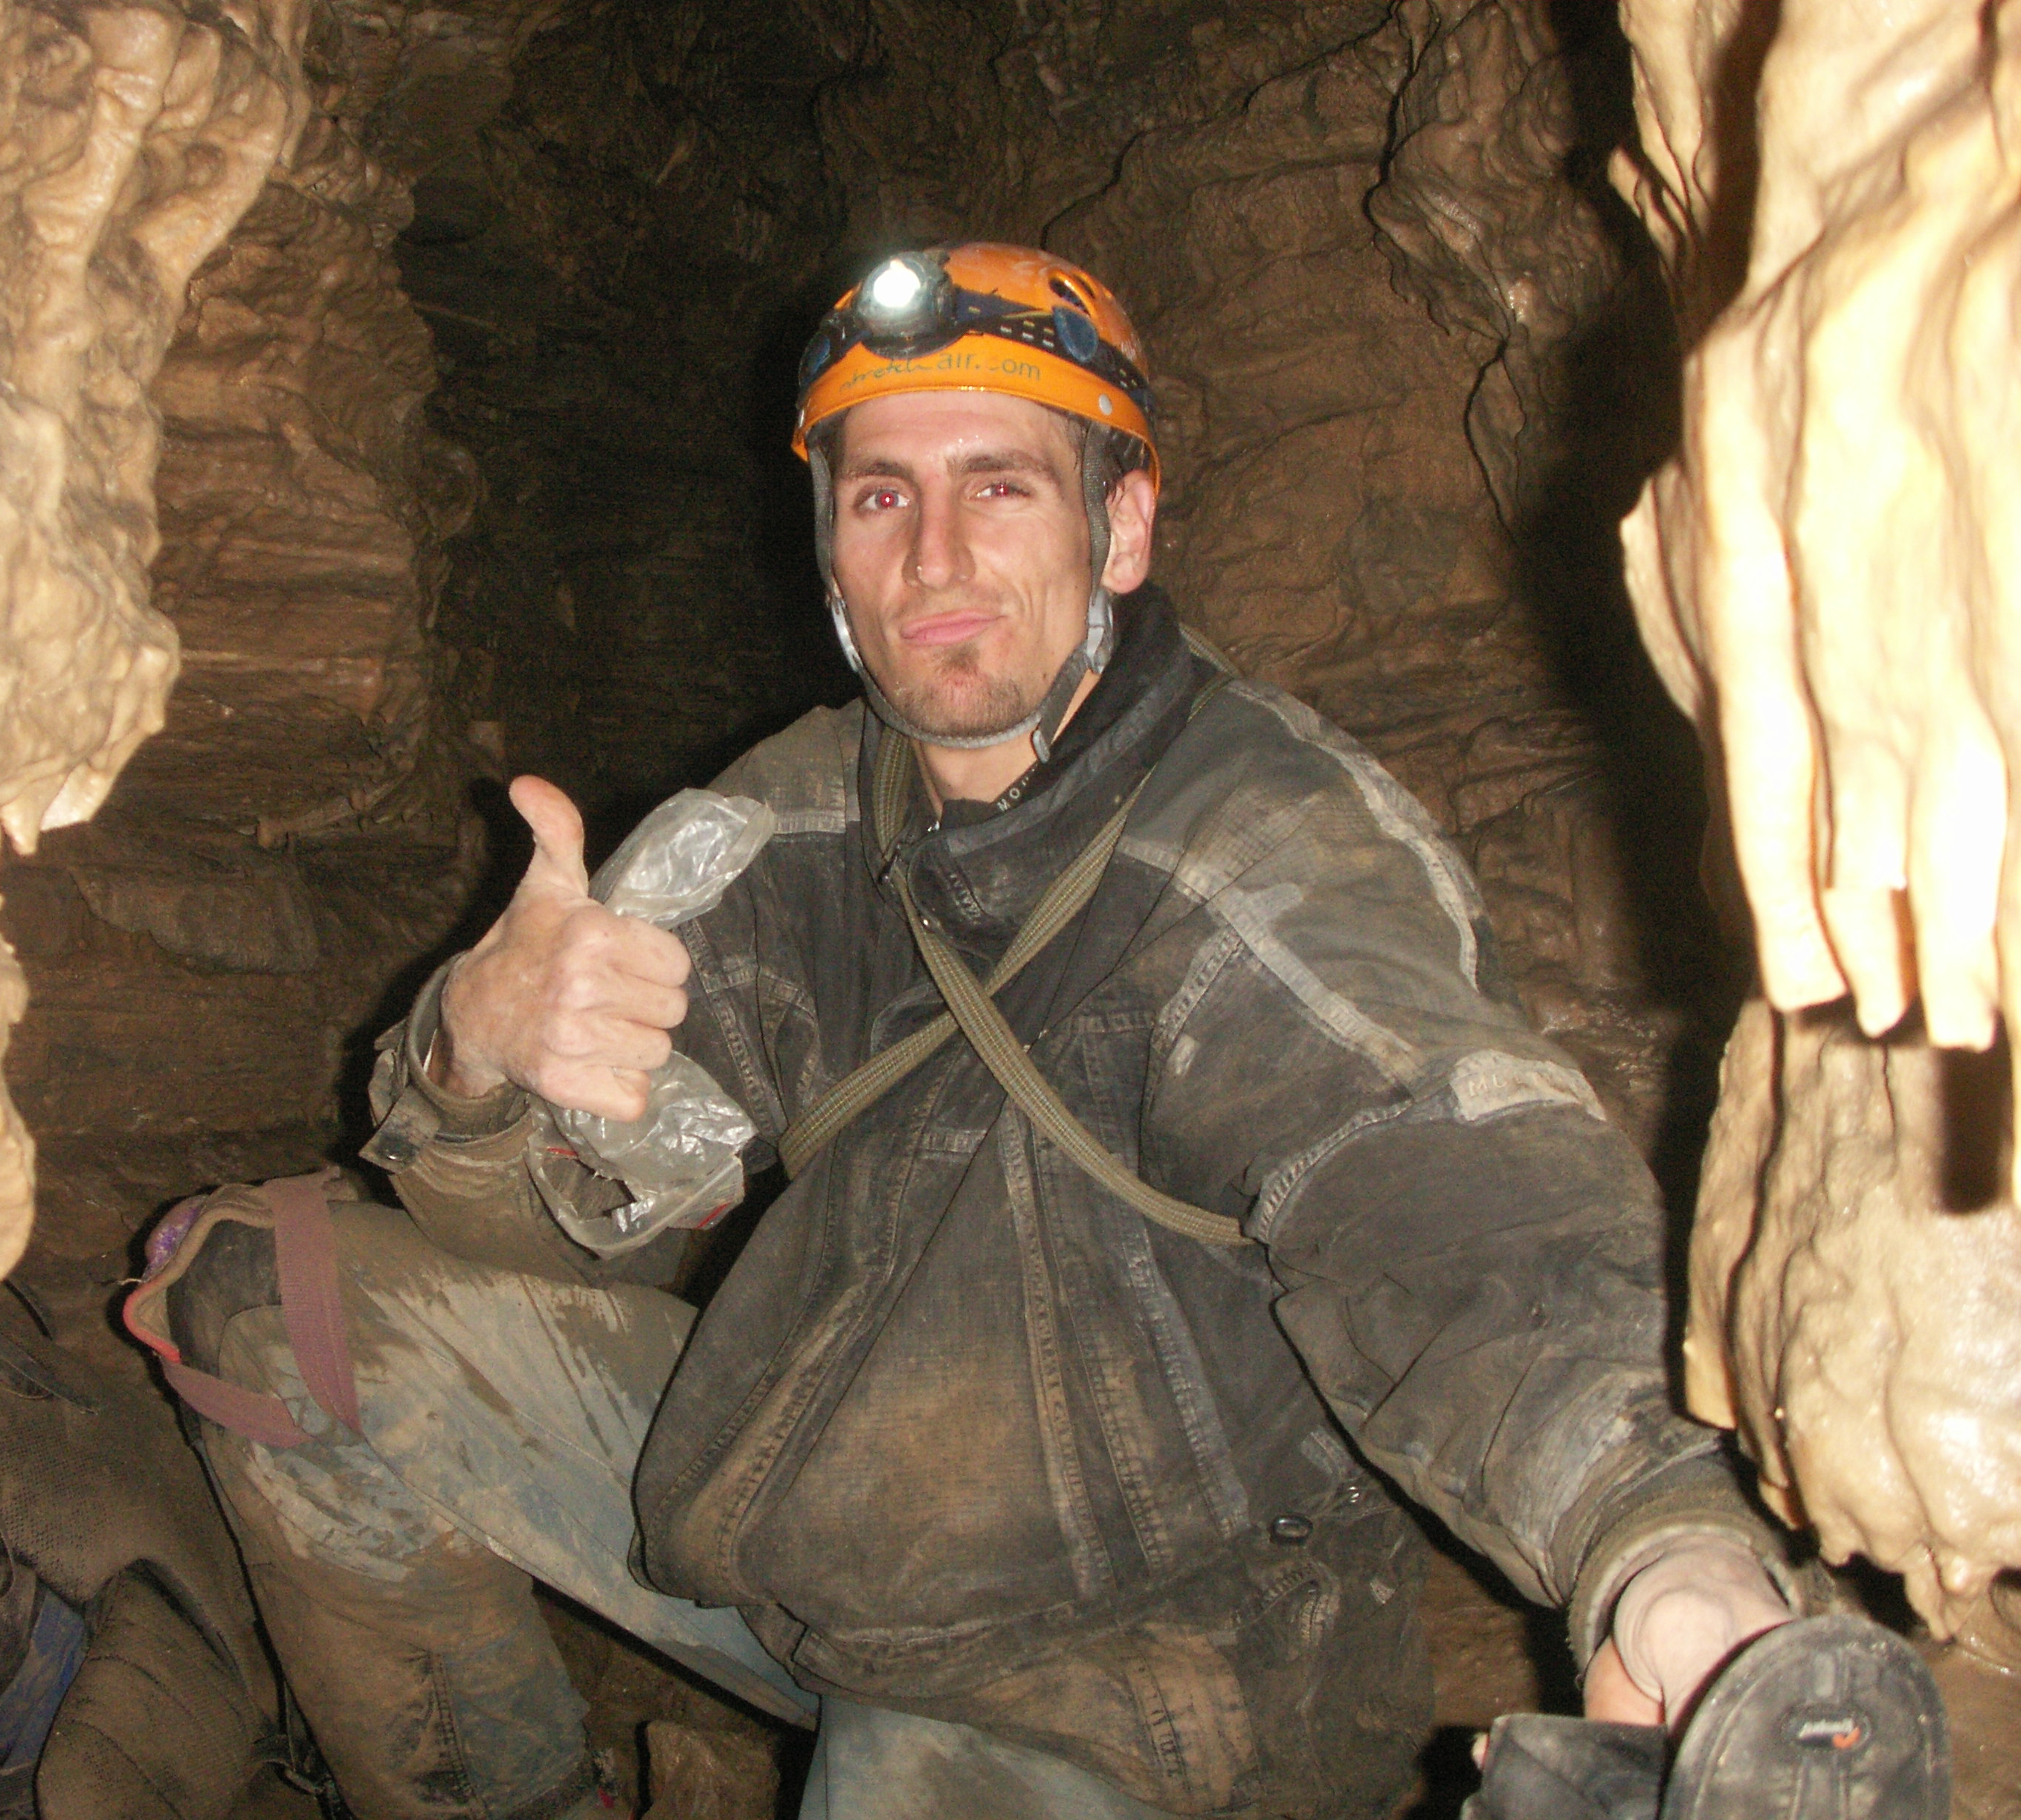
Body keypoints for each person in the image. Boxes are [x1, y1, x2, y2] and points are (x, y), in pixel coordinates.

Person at [145, 245, 1879, 1820]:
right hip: (820, 1515)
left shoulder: (1257, 853)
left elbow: (1449, 1205)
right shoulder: (793, 819)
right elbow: (560, 1225)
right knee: (268, 1294)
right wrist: (474, 1066)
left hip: (1139, 1674)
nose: (937, 557)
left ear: (1120, 529)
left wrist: (1667, 1558)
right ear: (827, 546)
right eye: (880, 495)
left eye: (1001, 486)